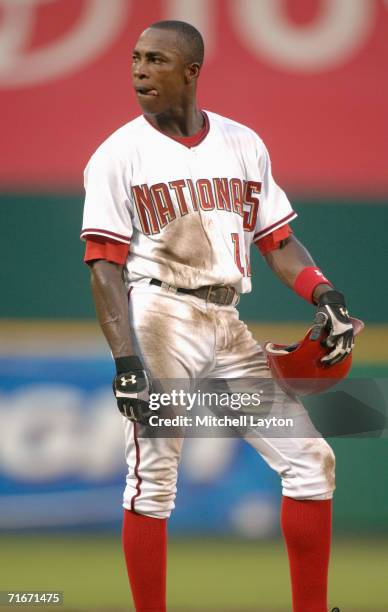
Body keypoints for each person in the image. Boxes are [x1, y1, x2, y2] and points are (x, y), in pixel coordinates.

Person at [81, 20, 355, 612]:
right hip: (159, 315)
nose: (138, 70)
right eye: (135, 58)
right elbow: (104, 265)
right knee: (154, 478)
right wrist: (126, 358)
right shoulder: (117, 153)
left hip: (228, 323)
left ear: (191, 71)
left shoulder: (242, 143)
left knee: (312, 462)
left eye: (155, 59)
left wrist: (324, 293)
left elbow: (278, 242)